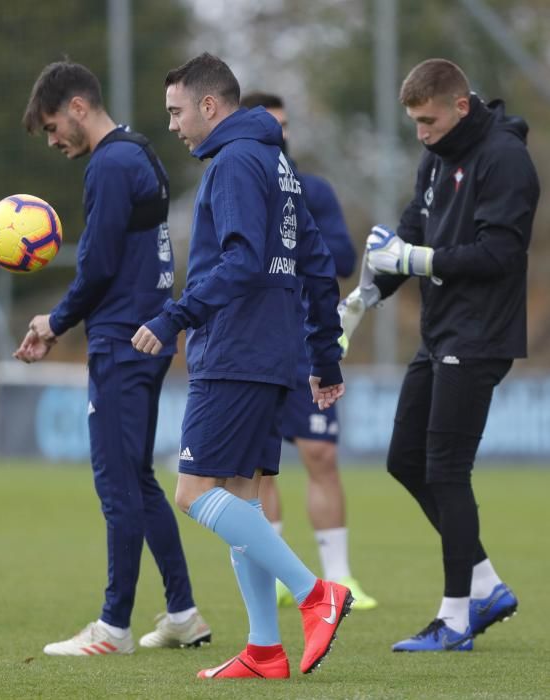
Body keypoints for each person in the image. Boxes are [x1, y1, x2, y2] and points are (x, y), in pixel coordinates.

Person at [132, 53, 353, 680]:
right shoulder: (278, 164)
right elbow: (315, 262)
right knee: (241, 500)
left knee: (193, 492)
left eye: (176, 110)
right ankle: (263, 650)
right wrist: (325, 354)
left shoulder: (232, 163)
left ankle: (317, 595)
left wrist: (176, 316)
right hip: (273, 353)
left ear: (209, 105)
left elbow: (241, 262)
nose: (172, 124)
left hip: (234, 349)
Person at [340, 58, 539, 652]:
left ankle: (456, 620)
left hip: (480, 335)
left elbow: (500, 254)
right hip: (441, 332)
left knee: (447, 470)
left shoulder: (506, 159)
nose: (421, 133)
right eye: (414, 124)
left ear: (459, 105)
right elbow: (408, 237)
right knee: (405, 459)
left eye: (428, 121)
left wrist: (415, 260)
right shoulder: (436, 154)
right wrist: (357, 302)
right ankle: (486, 584)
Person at [14, 60, 210, 656]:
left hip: (122, 340)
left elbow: (97, 265)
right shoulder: (139, 151)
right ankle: (182, 614)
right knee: (138, 479)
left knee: (116, 482)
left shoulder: (110, 163)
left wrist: (54, 322)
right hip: (143, 334)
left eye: (53, 127)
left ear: (78, 107)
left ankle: (113, 627)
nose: (53, 142)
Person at [239, 92, 377, 611]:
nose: (281, 134)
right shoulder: (238, 184)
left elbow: (340, 258)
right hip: (254, 345)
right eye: (271, 125)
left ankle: (340, 578)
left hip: (303, 345)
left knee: (320, 454)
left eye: (286, 125)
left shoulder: (311, 190)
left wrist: (291, 233)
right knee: (259, 465)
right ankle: (276, 571)